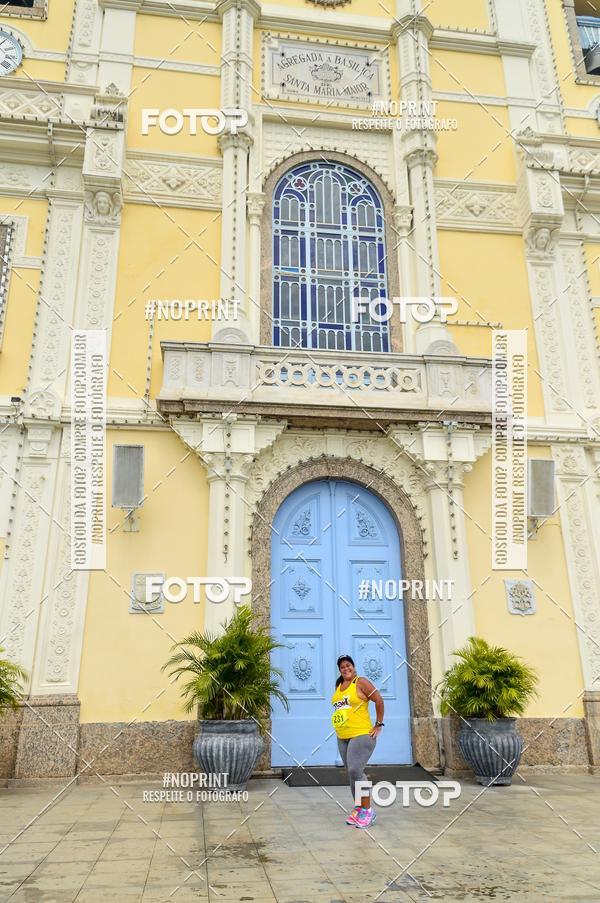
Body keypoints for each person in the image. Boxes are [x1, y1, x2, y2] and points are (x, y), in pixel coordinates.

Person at [331, 654, 384, 828]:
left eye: (348, 665)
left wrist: (378, 724)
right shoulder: (339, 685)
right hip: (342, 736)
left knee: (356, 771)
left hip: (361, 734)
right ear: (340, 670)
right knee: (352, 774)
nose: (346, 668)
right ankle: (359, 808)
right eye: (342, 667)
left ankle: (368, 811)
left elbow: (378, 700)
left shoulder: (360, 682)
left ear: (353, 666)